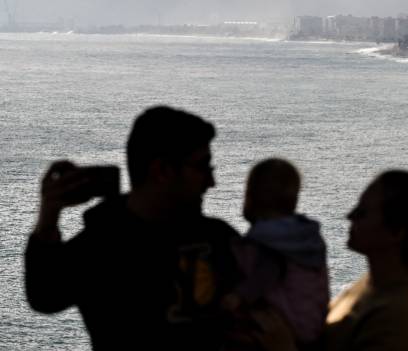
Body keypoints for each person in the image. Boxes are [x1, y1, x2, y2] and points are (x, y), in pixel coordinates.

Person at [24, 106, 242, 350]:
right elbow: (44, 296)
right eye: (203, 167)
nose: (212, 182)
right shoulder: (100, 247)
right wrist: (48, 217)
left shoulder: (218, 237)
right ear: (162, 171)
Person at [325, 170, 408, 351]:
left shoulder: (396, 320)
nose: (350, 216)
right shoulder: (377, 282)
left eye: (362, 212)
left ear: (397, 232)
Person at [226, 158, 329, 348]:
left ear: (251, 198)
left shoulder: (268, 240)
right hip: (311, 324)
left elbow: (266, 274)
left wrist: (237, 297)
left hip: (282, 327)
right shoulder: (307, 237)